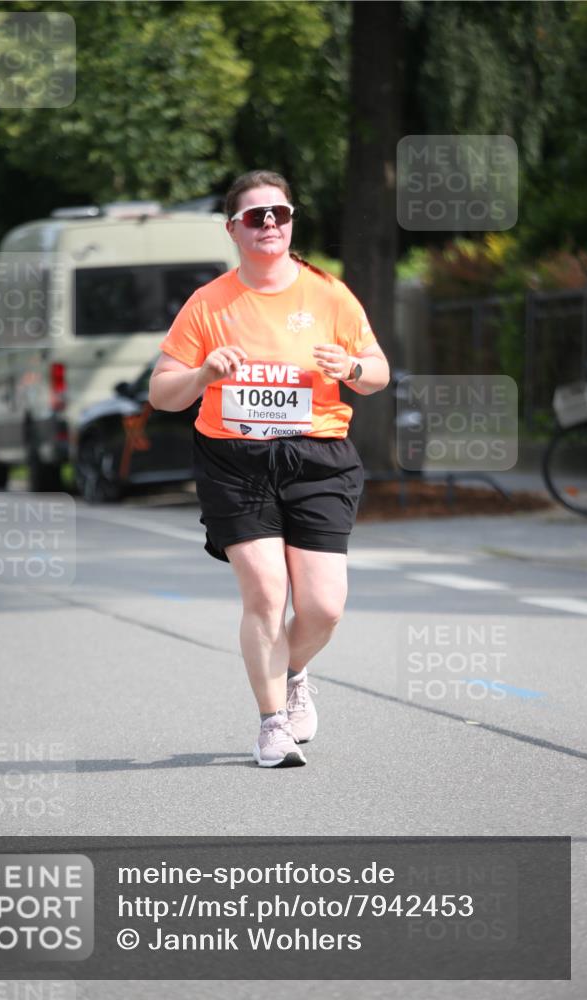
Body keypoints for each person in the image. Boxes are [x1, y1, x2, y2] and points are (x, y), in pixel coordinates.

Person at [149, 170, 390, 768]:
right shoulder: (209, 304)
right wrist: (205, 375)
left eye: (279, 214)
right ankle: (271, 724)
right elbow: (161, 394)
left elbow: (379, 369)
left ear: (291, 222)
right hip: (235, 460)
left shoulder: (329, 294)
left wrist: (352, 369)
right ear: (232, 228)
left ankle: (295, 671)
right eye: (255, 217)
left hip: (317, 457)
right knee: (265, 591)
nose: (269, 225)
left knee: (324, 605)